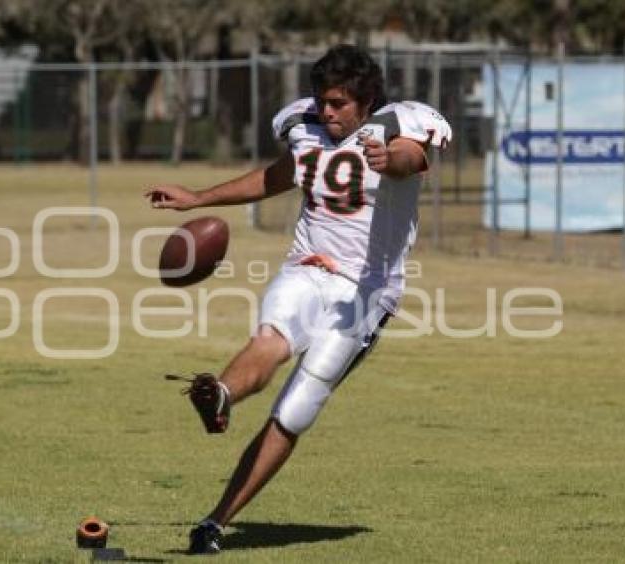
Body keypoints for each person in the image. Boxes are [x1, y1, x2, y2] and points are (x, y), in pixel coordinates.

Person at [145, 44, 451, 555]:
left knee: (296, 408)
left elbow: (412, 159)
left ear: (366, 99)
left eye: (338, 104)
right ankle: (221, 393)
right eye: (322, 101)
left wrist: (387, 155)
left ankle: (216, 521)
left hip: (366, 289)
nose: (327, 112)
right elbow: (277, 176)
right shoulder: (305, 127)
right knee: (272, 336)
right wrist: (198, 197)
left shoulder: (397, 125)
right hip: (307, 267)